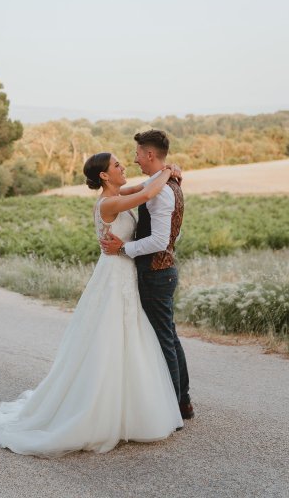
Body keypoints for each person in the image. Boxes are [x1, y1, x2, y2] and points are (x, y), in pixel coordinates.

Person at [0, 152, 183, 457]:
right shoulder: (109, 203)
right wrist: (168, 172)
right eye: (117, 165)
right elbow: (147, 192)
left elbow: (144, 185)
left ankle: (128, 409)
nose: (123, 167)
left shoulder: (118, 194)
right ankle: (97, 411)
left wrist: (167, 170)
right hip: (115, 276)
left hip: (122, 272)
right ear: (104, 175)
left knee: (129, 337)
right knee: (109, 338)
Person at [101, 130, 194, 420]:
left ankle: (175, 407)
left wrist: (124, 247)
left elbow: (159, 241)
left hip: (157, 272)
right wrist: (170, 169)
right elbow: (136, 191)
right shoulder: (160, 181)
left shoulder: (162, 190)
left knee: (164, 340)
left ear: (150, 155)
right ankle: (183, 401)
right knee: (169, 337)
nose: (135, 159)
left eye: (138, 154)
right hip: (160, 271)